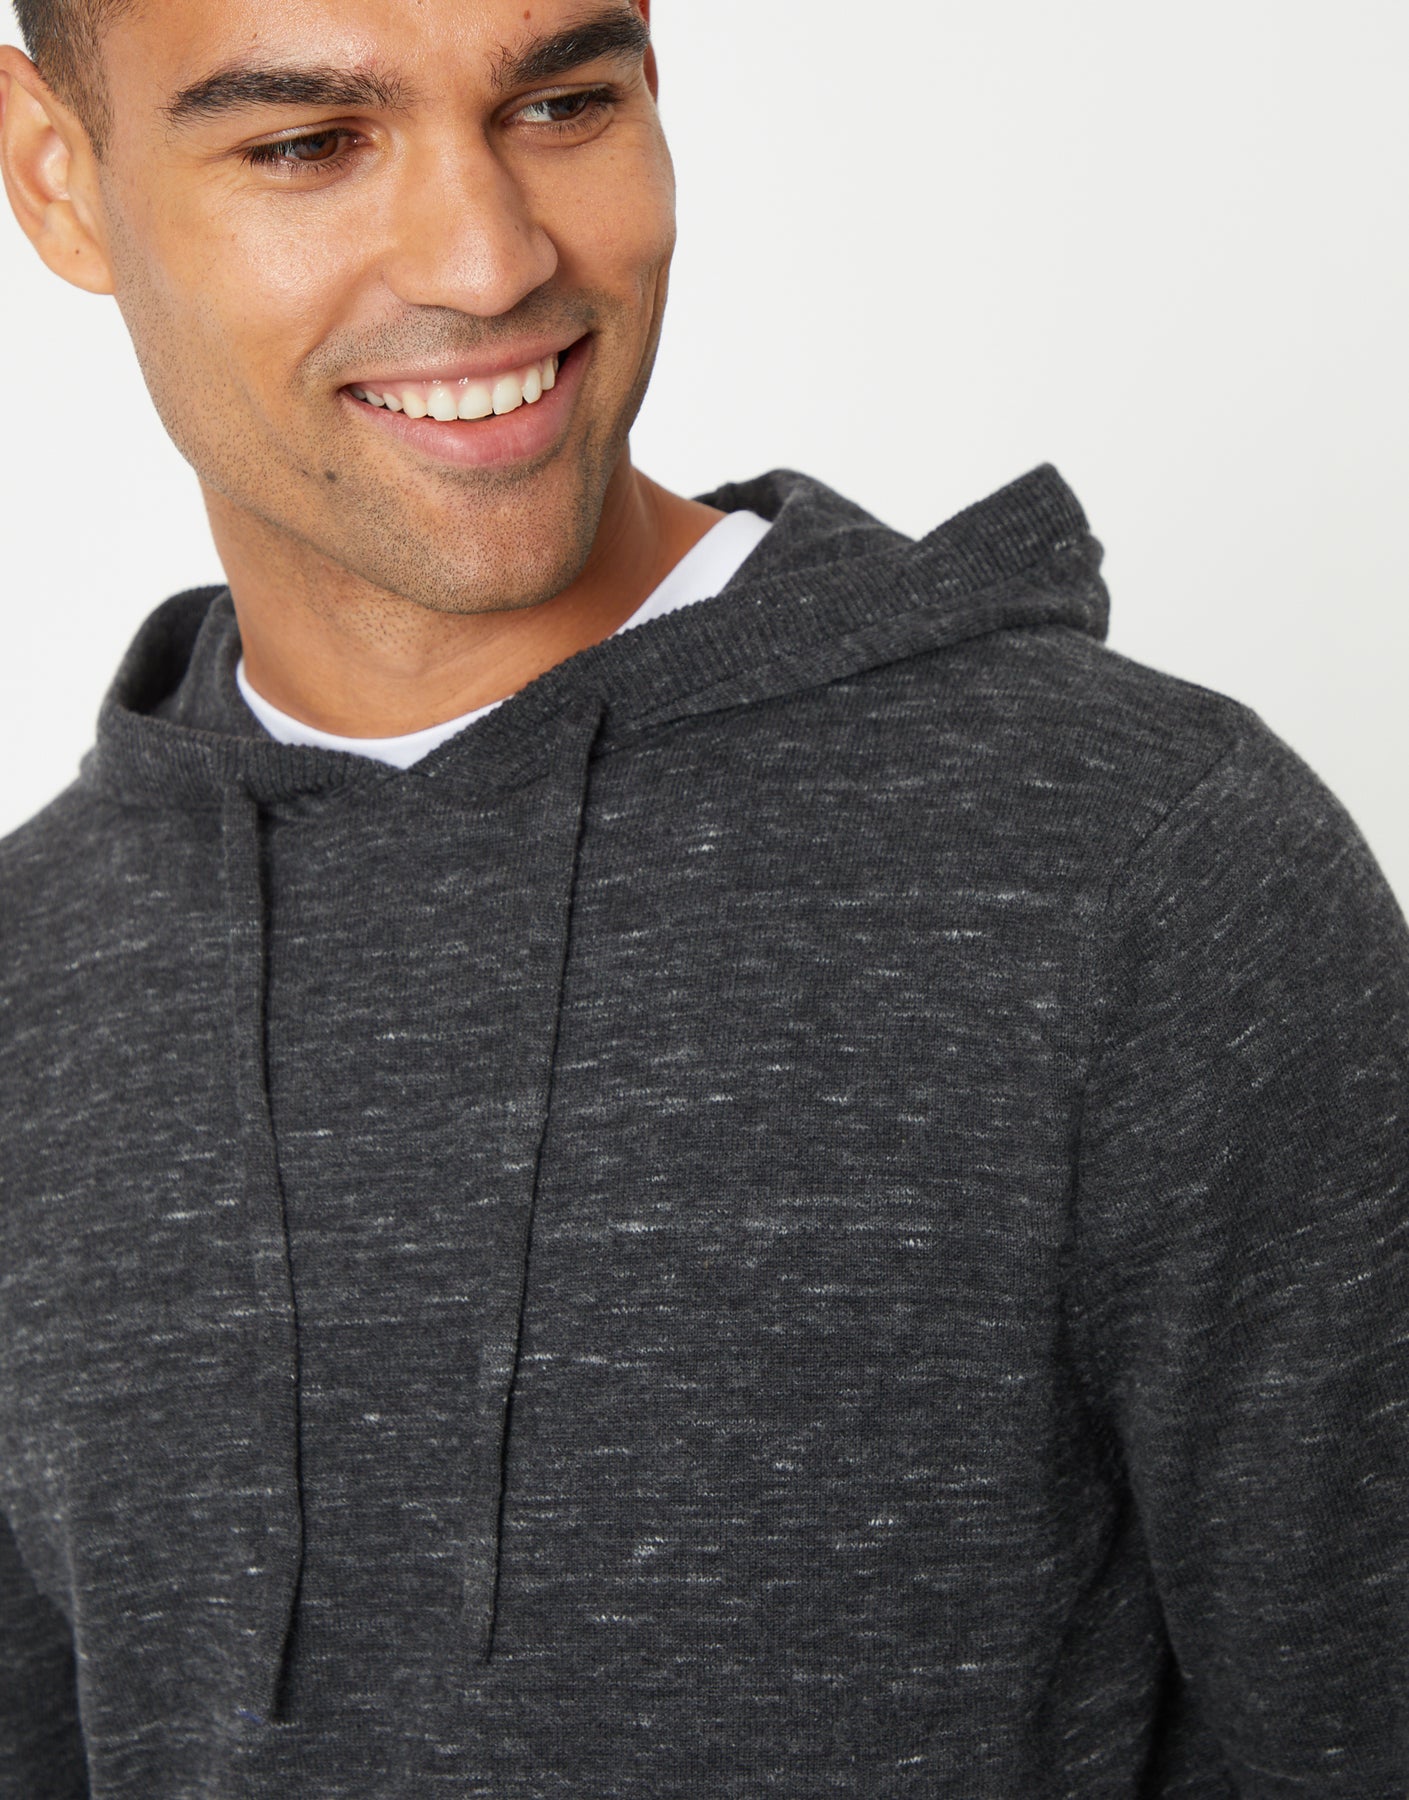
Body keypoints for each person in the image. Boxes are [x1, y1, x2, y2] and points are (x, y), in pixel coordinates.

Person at [0, 0, 1404, 1792]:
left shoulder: (1142, 864)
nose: (489, 259)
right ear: (59, 174)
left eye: (560, 104)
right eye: (306, 145)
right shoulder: (31, 981)